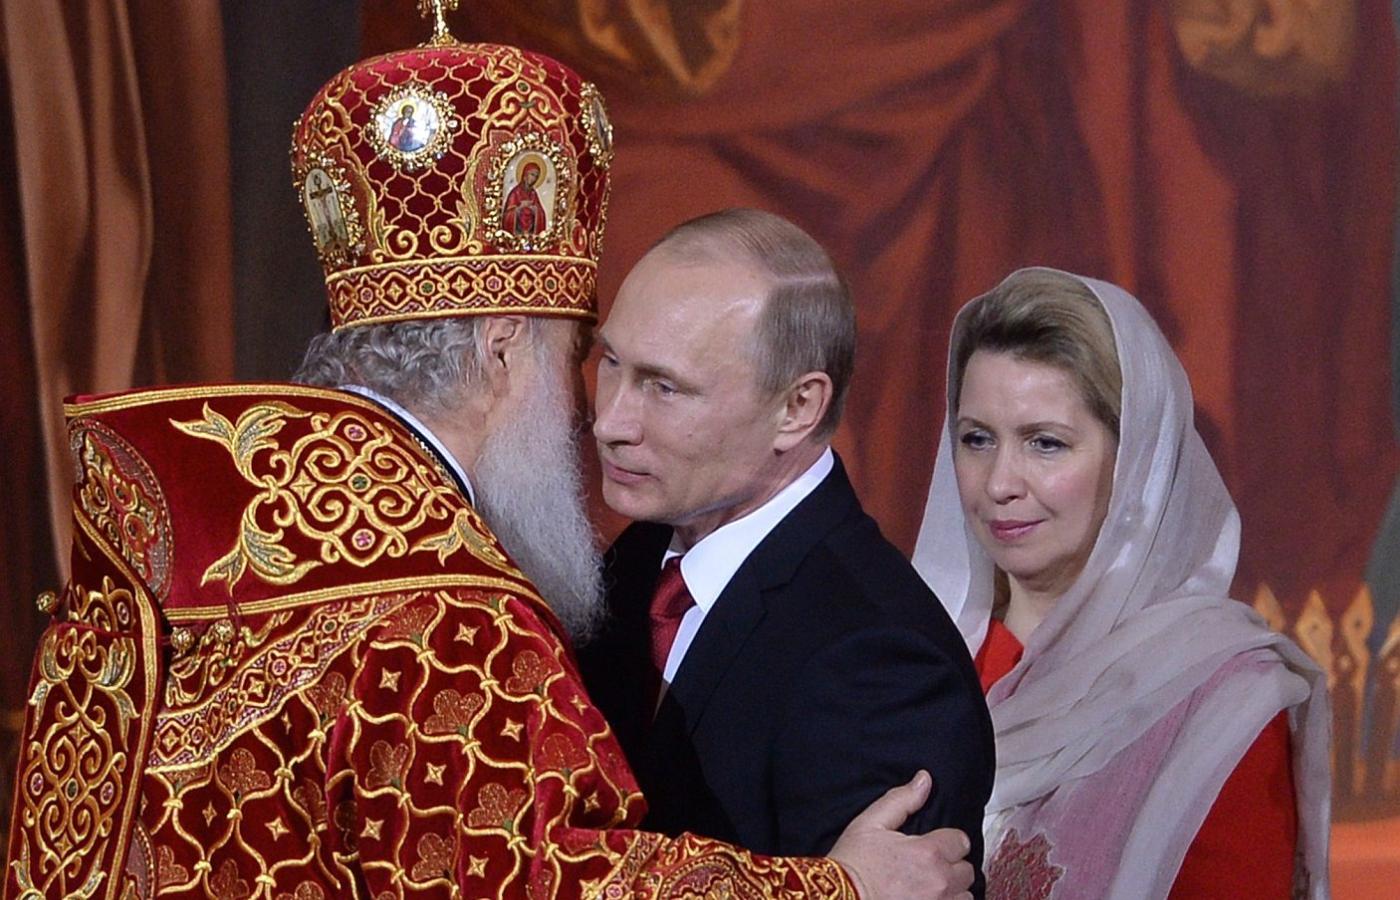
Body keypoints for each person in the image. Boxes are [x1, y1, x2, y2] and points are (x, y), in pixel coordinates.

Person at [2, 18, 977, 900]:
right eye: (583, 357)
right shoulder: (445, 603)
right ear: (505, 347)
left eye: (661, 384)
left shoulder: (184, 519)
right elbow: (528, 881)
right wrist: (835, 891)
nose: (597, 420)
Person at [581, 209, 995, 890]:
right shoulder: (641, 553)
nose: (611, 422)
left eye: (664, 386)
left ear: (797, 408)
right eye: (611, 364)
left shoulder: (882, 665)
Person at [910, 267, 1332, 899]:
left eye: (1045, 444)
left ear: (1136, 460)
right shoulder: (915, 661)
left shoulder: (1218, 700)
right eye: (977, 439)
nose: (999, 483)